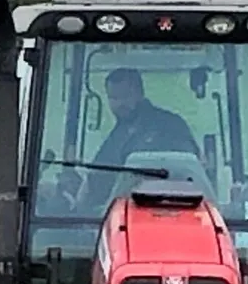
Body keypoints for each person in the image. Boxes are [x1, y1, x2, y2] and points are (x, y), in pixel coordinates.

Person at [66, 68, 201, 210]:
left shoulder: (170, 126)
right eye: (113, 98)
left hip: (168, 208)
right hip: (121, 209)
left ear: (140, 93)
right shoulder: (118, 133)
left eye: (125, 96)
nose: (119, 104)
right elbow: (99, 179)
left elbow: (189, 171)